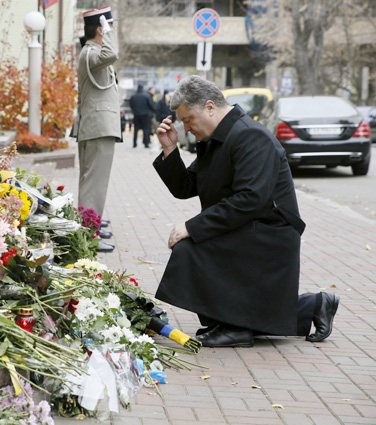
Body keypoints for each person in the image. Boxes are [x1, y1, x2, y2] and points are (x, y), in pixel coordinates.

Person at [153, 75, 339, 348]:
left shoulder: (249, 135)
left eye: (188, 119)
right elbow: (186, 187)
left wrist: (192, 226)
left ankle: (236, 327)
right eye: (182, 122)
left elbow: (250, 200)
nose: (186, 127)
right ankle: (313, 305)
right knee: (195, 246)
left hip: (271, 233)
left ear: (209, 107)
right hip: (249, 227)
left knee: (191, 247)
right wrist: (170, 149)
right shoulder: (216, 139)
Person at [76, 6, 121, 253]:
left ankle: (89, 226)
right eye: (108, 27)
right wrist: (108, 30)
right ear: (100, 29)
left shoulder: (91, 52)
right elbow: (112, 53)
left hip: (97, 126)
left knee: (93, 182)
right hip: (98, 127)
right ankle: (88, 235)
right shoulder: (92, 52)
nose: (111, 31)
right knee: (95, 184)